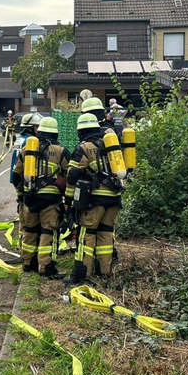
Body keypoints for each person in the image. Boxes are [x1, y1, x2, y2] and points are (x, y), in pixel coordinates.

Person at [64, 113, 123, 285]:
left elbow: (72, 175)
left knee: (86, 235)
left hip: (94, 200)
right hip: (114, 198)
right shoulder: (111, 144)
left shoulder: (84, 147)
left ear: (81, 130)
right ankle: (104, 273)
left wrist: (68, 200)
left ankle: (81, 274)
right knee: (105, 235)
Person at [11, 117, 70, 275]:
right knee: (48, 232)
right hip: (50, 200)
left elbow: (16, 176)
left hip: (29, 198)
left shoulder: (26, 150)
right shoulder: (61, 151)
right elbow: (70, 177)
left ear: (40, 131)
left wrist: (21, 197)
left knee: (29, 230)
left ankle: (27, 264)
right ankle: (46, 268)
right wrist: (68, 201)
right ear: (56, 132)